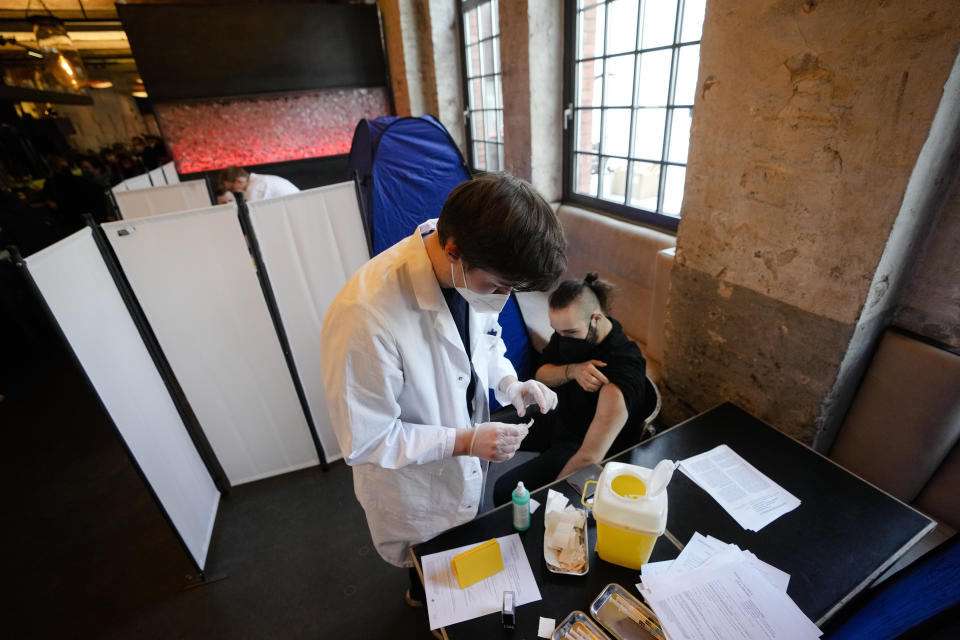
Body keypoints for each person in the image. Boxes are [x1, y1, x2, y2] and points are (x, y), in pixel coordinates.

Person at [320, 172, 567, 608]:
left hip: (458, 466)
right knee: (426, 564)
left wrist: (510, 383)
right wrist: (466, 440)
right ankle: (419, 595)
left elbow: (485, 343)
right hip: (411, 483)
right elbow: (368, 439)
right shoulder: (366, 314)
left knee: (459, 544)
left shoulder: (471, 263)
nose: (501, 298)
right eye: (497, 287)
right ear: (453, 252)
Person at [492, 273, 651, 506]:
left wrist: (554, 500)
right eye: (557, 331)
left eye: (569, 333)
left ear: (596, 318)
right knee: (488, 432)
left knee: (504, 491)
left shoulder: (622, 369)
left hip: (581, 443)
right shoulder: (570, 330)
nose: (561, 338)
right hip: (560, 417)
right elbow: (542, 374)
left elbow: (590, 456)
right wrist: (573, 371)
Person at [218, 165, 299, 202]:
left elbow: (257, 218)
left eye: (231, 188)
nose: (233, 191)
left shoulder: (255, 188)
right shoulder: (259, 180)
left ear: (239, 181)